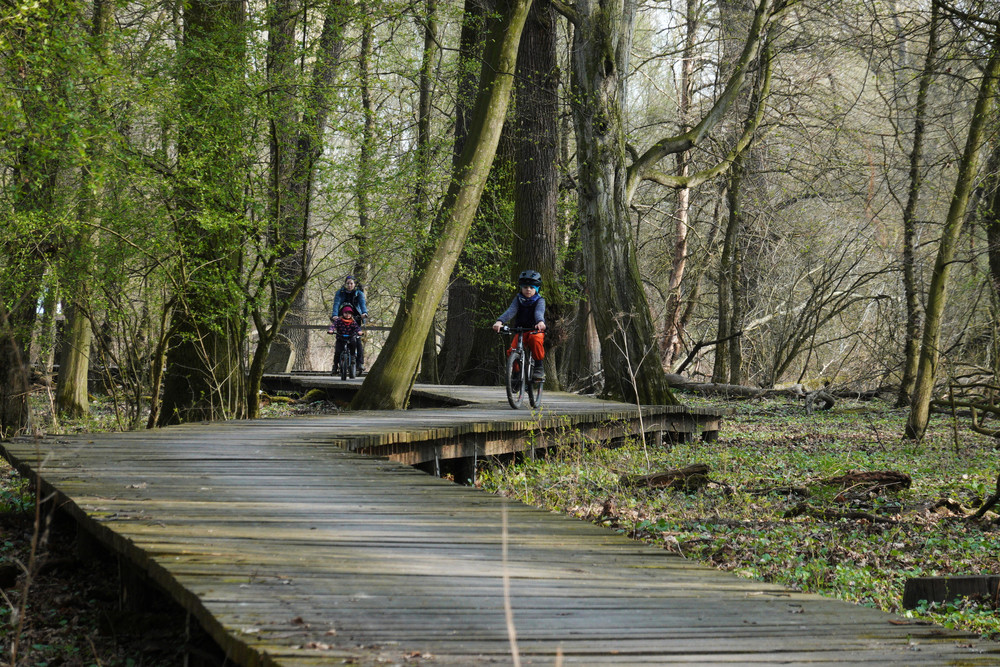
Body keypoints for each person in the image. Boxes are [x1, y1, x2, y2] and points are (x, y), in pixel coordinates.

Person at [492, 269, 547, 380]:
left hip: (535, 329)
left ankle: (538, 367)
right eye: (525, 287)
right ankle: (516, 374)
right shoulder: (518, 299)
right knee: (512, 351)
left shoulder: (540, 300)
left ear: (536, 289)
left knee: (535, 340)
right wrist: (500, 321)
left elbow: (539, 312)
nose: (528, 290)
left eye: (531, 287)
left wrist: (540, 322)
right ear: (521, 288)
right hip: (521, 330)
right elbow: (511, 311)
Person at [331, 275, 368, 371]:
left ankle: (360, 363)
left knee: (358, 341)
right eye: (348, 283)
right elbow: (336, 303)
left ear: (354, 284)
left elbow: (362, 304)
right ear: (345, 284)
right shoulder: (340, 292)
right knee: (340, 339)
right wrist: (335, 315)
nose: (349, 285)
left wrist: (364, 313)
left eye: (351, 283)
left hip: (355, 317)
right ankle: (337, 364)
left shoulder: (358, 293)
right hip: (342, 316)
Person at [328, 305, 363, 375]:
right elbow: (333, 326)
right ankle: (335, 366)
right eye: (346, 313)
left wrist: (359, 332)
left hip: (350, 337)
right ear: (343, 313)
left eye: (349, 313)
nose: (347, 315)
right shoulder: (339, 320)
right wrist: (331, 330)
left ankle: (353, 357)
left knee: (353, 343)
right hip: (340, 338)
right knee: (337, 352)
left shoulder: (353, 321)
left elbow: (357, 328)